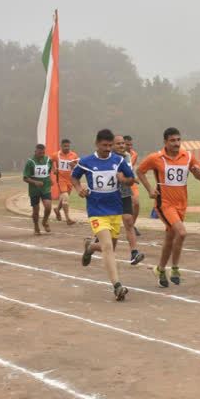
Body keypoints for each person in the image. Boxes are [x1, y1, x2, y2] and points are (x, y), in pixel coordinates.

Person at [135, 128, 200, 288]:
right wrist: (149, 189)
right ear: (165, 142)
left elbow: (198, 173)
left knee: (170, 238)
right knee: (181, 232)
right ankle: (175, 268)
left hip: (182, 203)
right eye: (172, 140)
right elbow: (140, 171)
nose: (176, 143)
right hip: (165, 203)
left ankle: (160, 269)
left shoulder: (188, 156)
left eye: (178, 140)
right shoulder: (156, 157)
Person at [71, 129, 136, 301]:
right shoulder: (86, 161)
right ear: (97, 144)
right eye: (104, 145)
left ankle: (90, 247)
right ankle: (117, 286)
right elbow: (74, 178)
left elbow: (131, 179)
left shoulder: (118, 160)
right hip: (96, 211)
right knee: (107, 247)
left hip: (115, 210)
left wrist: (124, 180)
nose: (108, 149)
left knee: (109, 249)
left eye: (110, 145)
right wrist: (79, 189)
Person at [109, 135, 145, 265]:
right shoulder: (108, 157)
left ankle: (134, 253)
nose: (122, 146)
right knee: (110, 228)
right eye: (118, 144)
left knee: (129, 222)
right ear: (111, 145)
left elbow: (128, 172)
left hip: (124, 193)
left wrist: (130, 178)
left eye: (123, 143)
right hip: (110, 195)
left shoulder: (128, 156)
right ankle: (94, 245)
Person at [23, 144, 54, 235]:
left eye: (43, 152)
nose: (42, 154)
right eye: (40, 152)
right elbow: (25, 178)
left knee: (48, 207)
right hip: (34, 189)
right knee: (36, 210)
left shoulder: (48, 160)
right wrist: (35, 182)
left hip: (45, 188)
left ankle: (45, 221)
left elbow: (48, 171)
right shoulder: (30, 162)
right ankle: (36, 226)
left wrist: (50, 179)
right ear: (35, 152)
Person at [52, 139, 79, 225]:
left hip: (70, 180)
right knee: (66, 197)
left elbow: (78, 166)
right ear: (61, 146)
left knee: (64, 198)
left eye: (68, 146)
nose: (67, 148)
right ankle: (68, 218)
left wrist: (74, 165)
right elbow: (49, 161)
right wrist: (54, 169)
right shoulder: (56, 155)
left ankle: (57, 209)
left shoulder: (74, 155)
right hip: (61, 179)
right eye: (65, 146)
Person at [124, 135, 141, 235]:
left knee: (136, 203)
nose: (129, 146)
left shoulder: (134, 154)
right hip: (121, 182)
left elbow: (131, 168)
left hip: (131, 182)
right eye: (127, 144)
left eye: (131, 144)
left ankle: (131, 226)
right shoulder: (118, 155)